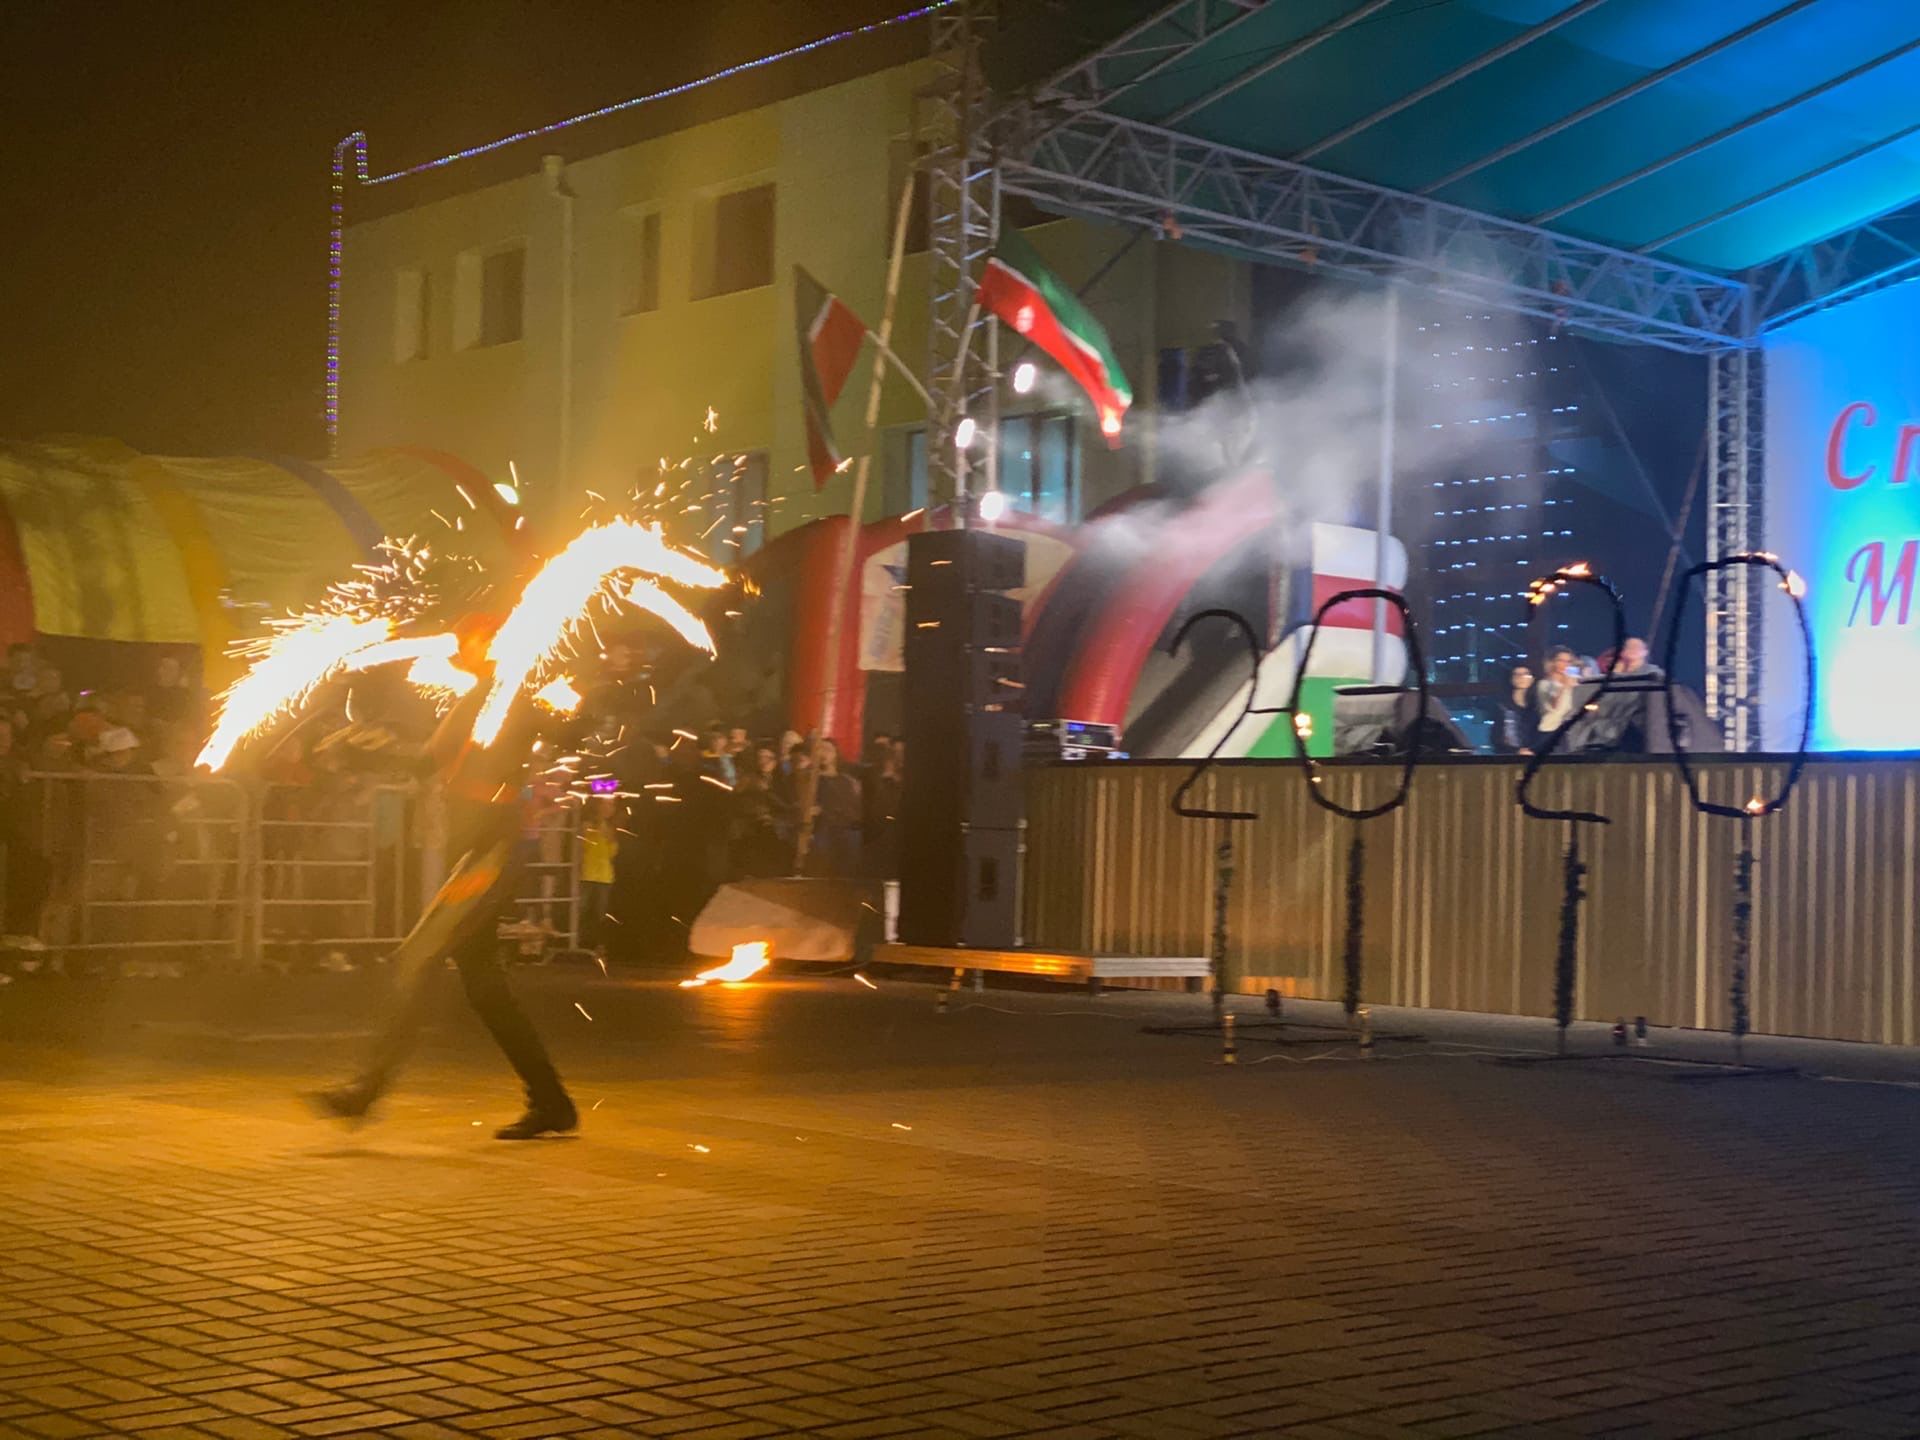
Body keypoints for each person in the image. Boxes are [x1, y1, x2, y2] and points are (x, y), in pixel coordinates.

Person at [307, 613, 578, 1140]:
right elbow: (435, 761)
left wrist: (363, 744)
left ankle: (366, 1091)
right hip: (483, 848)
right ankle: (551, 1101)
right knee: (485, 987)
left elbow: (430, 761)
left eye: (472, 636)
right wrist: (367, 745)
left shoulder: (504, 693)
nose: (459, 643)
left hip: (492, 852)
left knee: (420, 956)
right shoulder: (487, 693)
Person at [806, 738, 862, 878]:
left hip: (842, 830)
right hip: (819, 830)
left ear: (836, 754)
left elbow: (852, 809)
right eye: (820, 750)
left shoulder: (847, 781)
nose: (823, 754)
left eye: (828, 750)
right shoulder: (809, 780)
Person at [576, 797, 619, 959]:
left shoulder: (610, 828)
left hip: (605, 876)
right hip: (587, 874)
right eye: (606, 804)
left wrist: (610, 839)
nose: (609, 808)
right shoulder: (587, 825)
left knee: (601, 913)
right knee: (581, 909)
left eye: (611, 805)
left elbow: (612, 854)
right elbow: (582, 848)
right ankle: (579, 942)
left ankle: (599, 945)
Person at [1530, 647, 1581, 741]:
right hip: (1550, 730)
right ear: (1552, 662)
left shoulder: (1572, 682)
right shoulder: (1544, 684)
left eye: (1568, 661)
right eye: (1560, 660)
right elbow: (1554, 706)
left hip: (1570, 730)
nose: (1565, 664)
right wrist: (1564, 686)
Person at [1492, 664, 1535, 755]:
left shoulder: (1538, 705)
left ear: (1532, 679)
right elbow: (1496, 737)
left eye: (1525, 674)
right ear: (1511, 679)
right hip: (1510, 757)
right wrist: (1516, 751)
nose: (1521, 677)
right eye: (1517, 674)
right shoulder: (1502, 707)